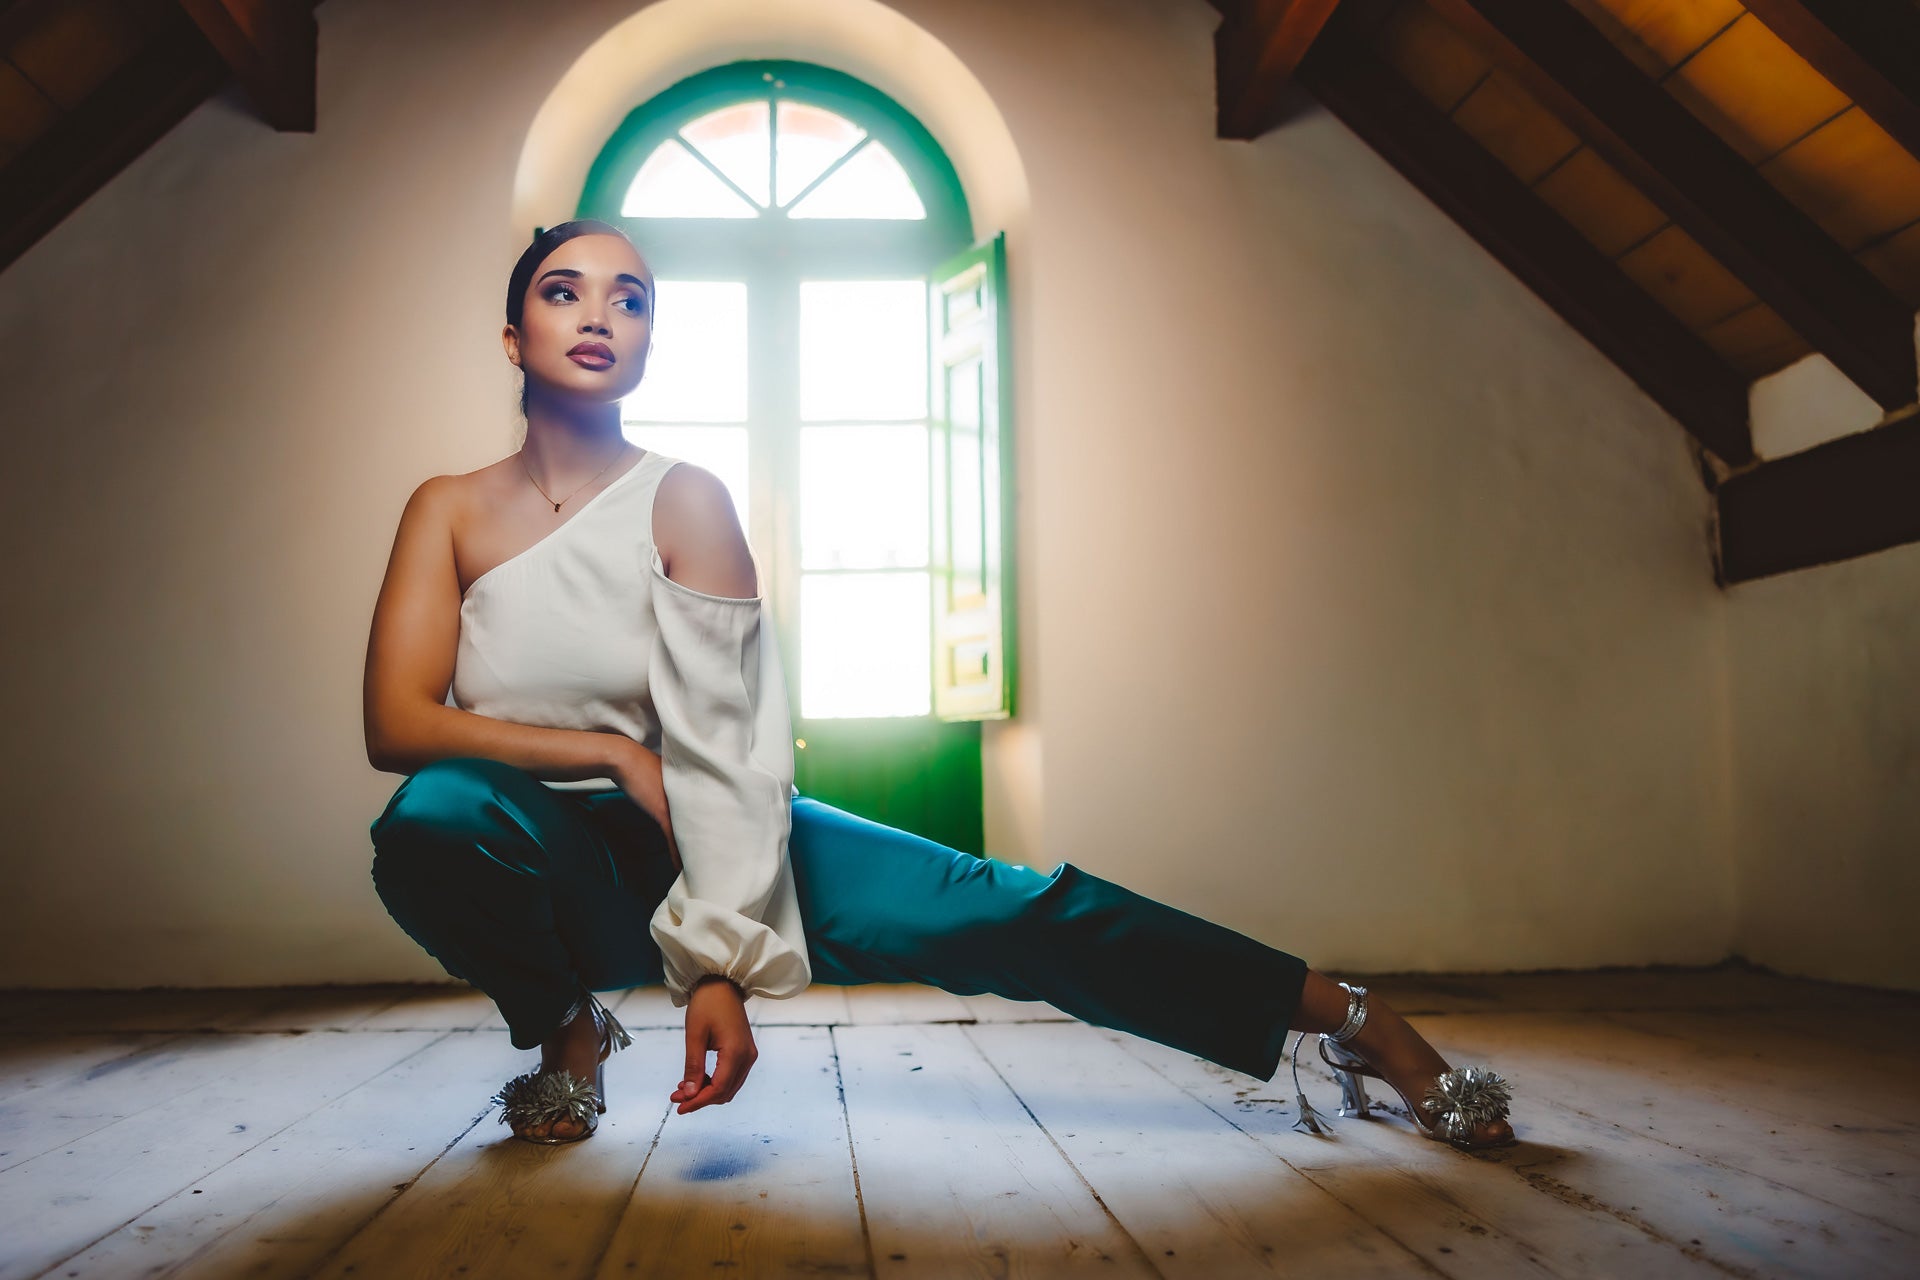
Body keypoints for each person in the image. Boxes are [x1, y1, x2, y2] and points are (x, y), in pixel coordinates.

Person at [360, 219, 1516, 1151]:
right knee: (430, 818)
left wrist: (720, 960)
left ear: (652, 339)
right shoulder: (447, 508)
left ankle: (1363, 1021)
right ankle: (569, 1031)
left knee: (1012, 906)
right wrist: (612, 753)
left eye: (632, 296)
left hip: (712, 820)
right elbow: (400, 723)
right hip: (538, 837)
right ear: (513, 336)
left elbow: (723, 746)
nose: (601, 313)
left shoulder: (685, 499)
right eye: (566, 291)